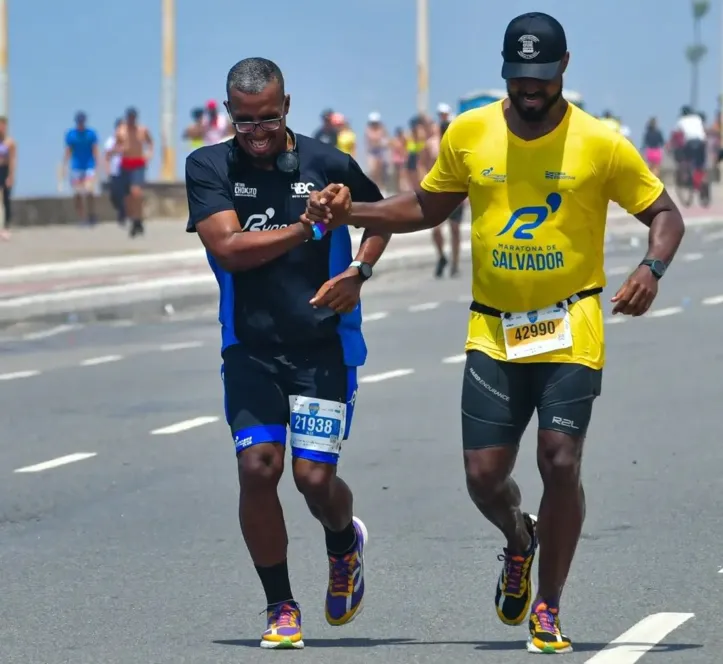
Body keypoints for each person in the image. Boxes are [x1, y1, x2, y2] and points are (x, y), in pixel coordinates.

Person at [302, 12, 685, 655]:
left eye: (540, 76)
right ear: (503, 72)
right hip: (494, 331)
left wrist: (651, 267)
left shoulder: (601, 142)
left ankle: (549, 608)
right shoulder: (470, 133)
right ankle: (519, 540)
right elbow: (426, 207)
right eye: (518, 77)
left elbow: (665, 214)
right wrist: (355, 213)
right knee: (484, 478)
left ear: (563, 67)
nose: (529, 88)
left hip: (572, 324)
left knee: (560, 460)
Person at [184, 56, 390, 650]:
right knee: (258, 468)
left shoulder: (326, 162)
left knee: (313, 479)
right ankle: (280, 605)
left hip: (322, 346)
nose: (257, 133)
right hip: (249, 348)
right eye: (244, 121)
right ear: (228, 113)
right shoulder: (209, 166)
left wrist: (358, 269)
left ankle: (344, 541)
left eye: (268, 119)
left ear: (287, 106)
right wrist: (309, 227)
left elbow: (379, 217)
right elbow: (228, 248)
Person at [115, 107, 153, 237]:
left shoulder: (142, 130)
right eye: (129, 117)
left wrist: (149, 154)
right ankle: (135, 220)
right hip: (125, 164)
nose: (131, 119)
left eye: (133, 117)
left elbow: (150, 142)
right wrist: (120, 148)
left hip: (138, 164)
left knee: (136, 192)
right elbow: (116, 145)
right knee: (128, 197)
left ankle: (138, 219)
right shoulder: (121, 131)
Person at [63, 112, 99, 225]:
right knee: (78, 193)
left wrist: (98, 163)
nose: (81, 123)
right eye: (79, 121)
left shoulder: (91, 134)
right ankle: (81, 217)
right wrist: (64, 164)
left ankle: (91, 214)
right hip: (76, 167)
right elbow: (68, 150)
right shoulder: (71, 135)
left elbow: (95, 149)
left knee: (89, 191)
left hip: (89, 166)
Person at [0, 116, 16, 241]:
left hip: (5, 170)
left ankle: (6, 226)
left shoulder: (9, 142)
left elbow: (12, 160)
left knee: (6, 199)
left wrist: (11, 176)